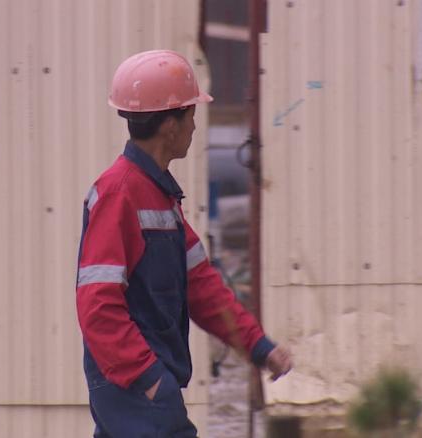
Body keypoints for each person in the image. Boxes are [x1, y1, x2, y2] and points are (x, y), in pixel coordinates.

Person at [75, 49, 292, 438]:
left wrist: (259, 347)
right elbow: (97, 306)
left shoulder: (159, 197)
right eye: (191, 114)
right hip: (136, 387)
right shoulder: (119, 194)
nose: (195, 125)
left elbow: (204, 288)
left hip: (143, 386)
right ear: (170, 126)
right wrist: (148, 377)